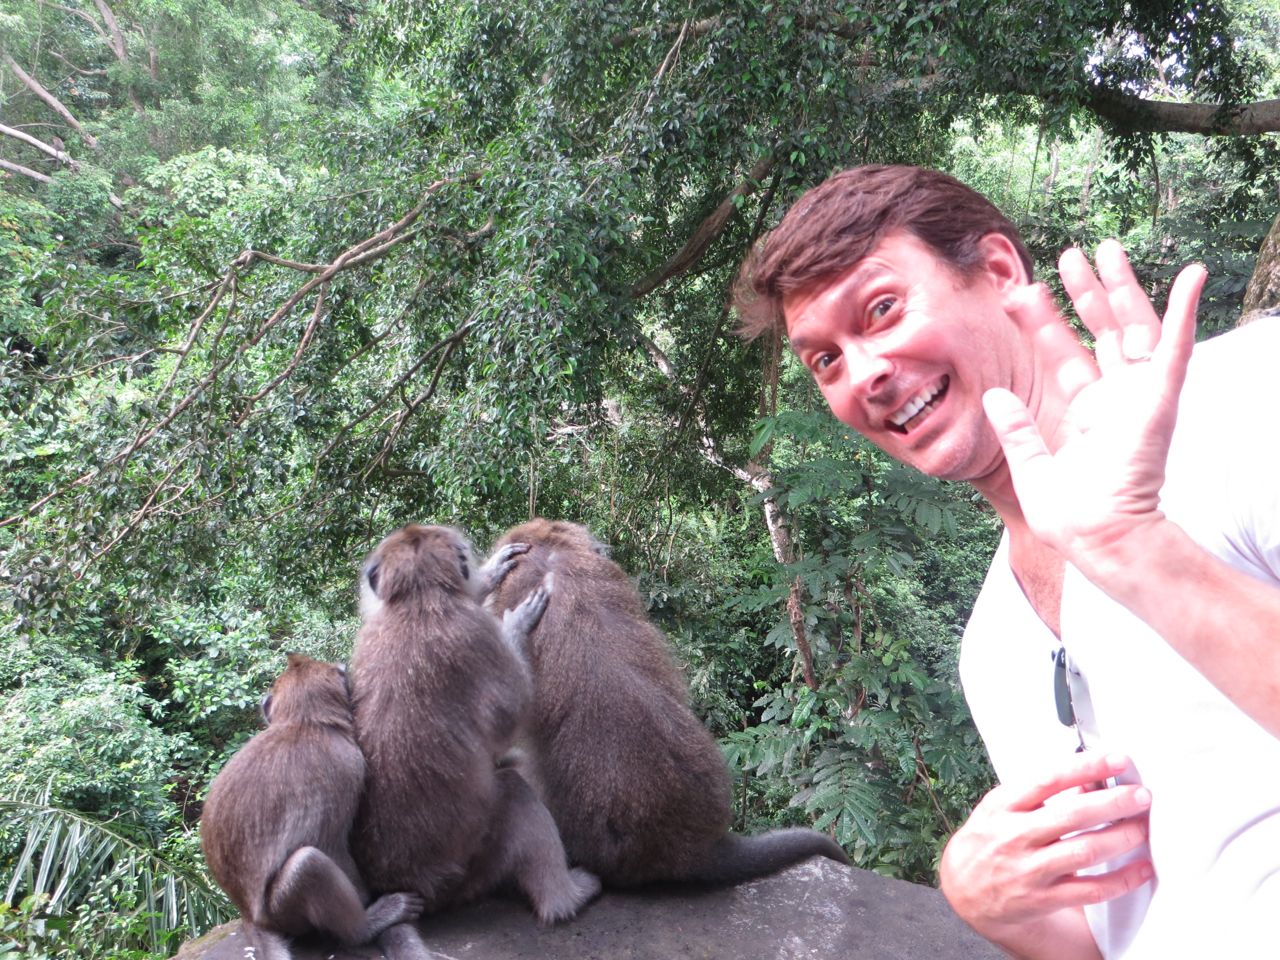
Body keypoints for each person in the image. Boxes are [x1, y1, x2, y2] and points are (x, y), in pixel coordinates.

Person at [733, 165, 1280, 959]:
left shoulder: (1245, 397)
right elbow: (1114, 929)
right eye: (825, 361)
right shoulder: (993, 649)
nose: (864, 375)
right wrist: (984, 899)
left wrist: (1142, 551)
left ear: (997, 271)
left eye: (882, 309)